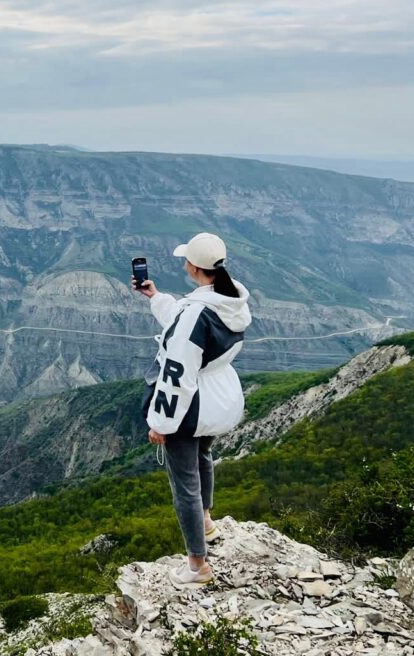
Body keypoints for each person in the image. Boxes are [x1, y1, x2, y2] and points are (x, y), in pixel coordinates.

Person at [131, 232, 251, 586]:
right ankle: (207, 522)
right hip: (217, 397)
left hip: (190, 405)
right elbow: (184, 317)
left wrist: (161, 424)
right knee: (203, 457)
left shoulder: (197, 313)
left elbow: (177, 374)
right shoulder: (231, 300)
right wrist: (155, 297)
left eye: (185, 259)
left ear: (193, 266)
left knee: (184, 483)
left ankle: (197, 566)